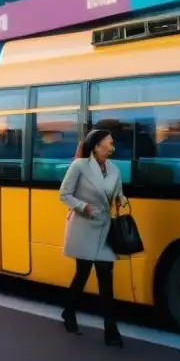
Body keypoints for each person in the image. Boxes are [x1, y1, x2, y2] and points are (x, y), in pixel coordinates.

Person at [58, 128, 128, 348]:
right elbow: (64, 194)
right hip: (84, 226)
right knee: (83, 272)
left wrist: (122, 199)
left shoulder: (115, 169)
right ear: (97, 146)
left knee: (105, 276)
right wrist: (83, 207)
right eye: (109, 141)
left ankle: (111, 329)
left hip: (105, 227)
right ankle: (69, 312)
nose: (112, 143)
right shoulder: (79, 165)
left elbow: (117, 192)